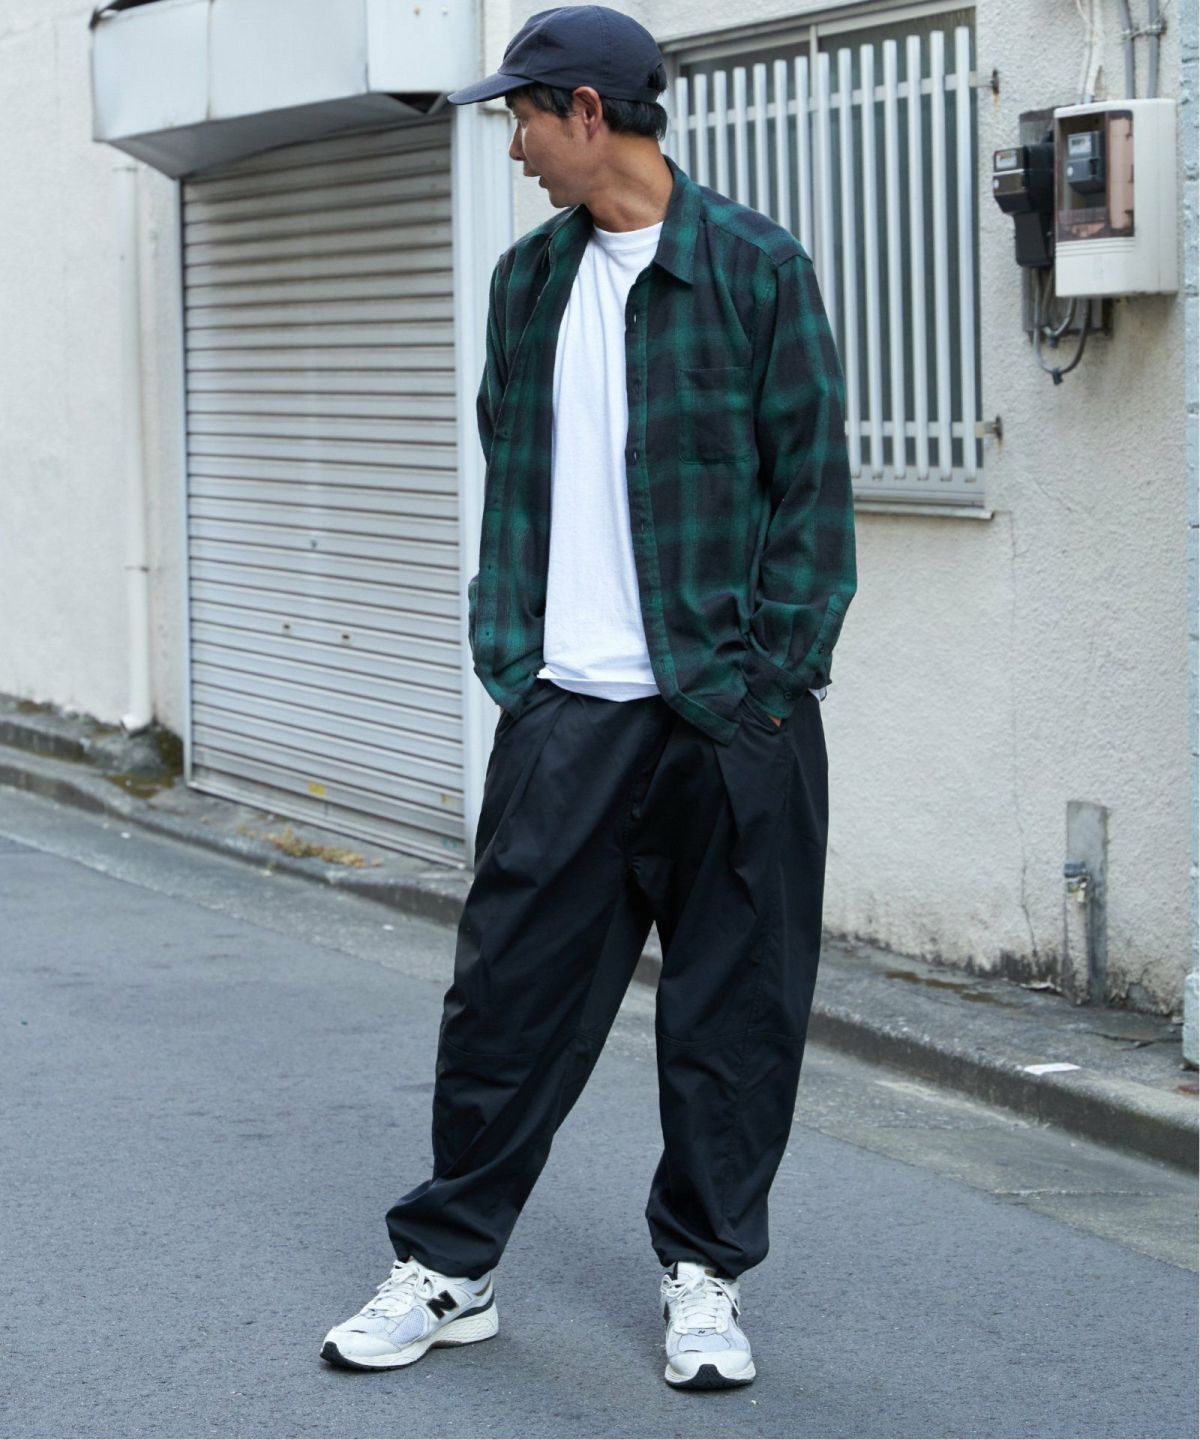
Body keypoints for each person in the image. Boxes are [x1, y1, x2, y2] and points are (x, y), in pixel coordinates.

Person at [322, 3, 856, 1390]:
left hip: (731, 718)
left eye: (520, 118)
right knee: (502, 1004)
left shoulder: (756, 269)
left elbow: (812, 499)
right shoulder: (529, 283)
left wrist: (768, 684)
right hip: (566, 713)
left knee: (733, 1019)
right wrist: (513, 659)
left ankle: (704, 1280)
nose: (512, 148)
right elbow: (512, 475)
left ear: (587, 113)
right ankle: (451, 1269)